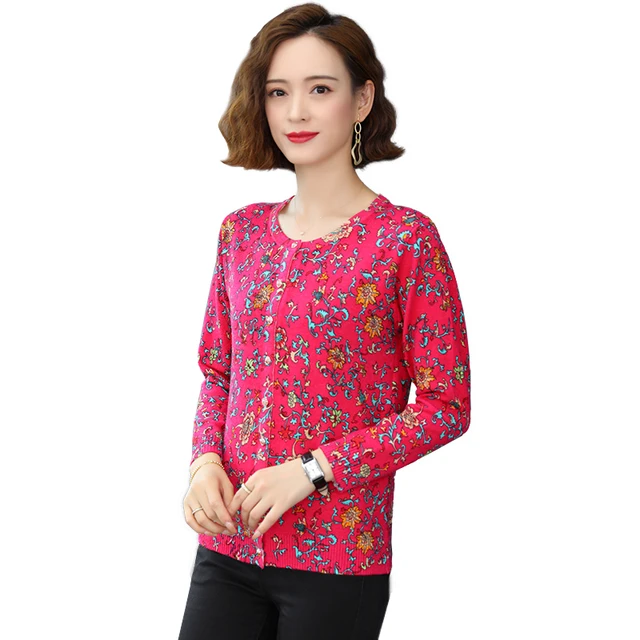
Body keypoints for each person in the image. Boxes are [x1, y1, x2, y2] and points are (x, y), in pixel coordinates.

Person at [178, 3, 471, 639]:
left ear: (362, 100)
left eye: (319, 89)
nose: (296, 113)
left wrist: (312, 470)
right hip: (228, 548)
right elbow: (219, 372)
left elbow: (446, 406)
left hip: (338, 559)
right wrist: (203, 464)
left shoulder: (404, 240)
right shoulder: (241, 233)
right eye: (278, 92)